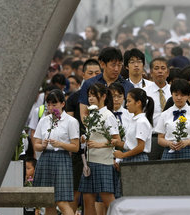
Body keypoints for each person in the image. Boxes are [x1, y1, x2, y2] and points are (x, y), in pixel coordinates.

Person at [33, 89, 79, 215]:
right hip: (46, 158)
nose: (51, 107)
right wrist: (42, 145)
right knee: (49, 202)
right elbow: (35, 145)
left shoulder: (71, 121)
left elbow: (75, 147)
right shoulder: (44, 120)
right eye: (48, 104)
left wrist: (60, 144)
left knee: (62, 201)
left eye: (54, 104)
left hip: (62, 159)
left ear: (63, 104)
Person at [65, 59, 102, 213]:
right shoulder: (74, 98)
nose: (94, 76)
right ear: (83, 74)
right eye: (90, 73)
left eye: (97, 73)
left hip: (99, 149)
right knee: (75, 191)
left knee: (94, 192)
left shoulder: (104, 96)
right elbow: (69, 124)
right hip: (79, 150)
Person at [78, 83, 121, 215]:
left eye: (93, 95)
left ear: (103, 96)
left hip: (103, 162)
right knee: (87, 199)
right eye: (89, 95)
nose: (90, 98)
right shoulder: (92, 115)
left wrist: (100, 144)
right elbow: (96, 135)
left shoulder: (108, 115)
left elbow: (117, 140)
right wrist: (85, 138)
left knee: (108, 200)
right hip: (90, 162)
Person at [79, 47, 134, 122]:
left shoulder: (128, 86)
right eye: (113, 65)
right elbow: (84, 113)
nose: (116, 69)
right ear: (102, 64)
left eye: (119, 65)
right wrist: (94, 129)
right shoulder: (90, 84)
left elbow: (132, 113)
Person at [156, 79, 190, 160]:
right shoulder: (165, 114)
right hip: (170, 152)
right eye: (176, 95)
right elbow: (160, 139)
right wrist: (169, 143)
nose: (179, 98)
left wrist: (186, 142)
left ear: (188, 95)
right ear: (172, 94)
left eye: (182, 95)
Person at [114, 88, 154, 162]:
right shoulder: (134, 119)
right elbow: (131, 145)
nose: (126, 104)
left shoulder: (141, 121)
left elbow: (140, 147)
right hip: (130, 156)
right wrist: (118, 143)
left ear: (138, 103)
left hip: (138, 158)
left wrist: (123, 155)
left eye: (129, 101)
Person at [144, 57, 172, 160]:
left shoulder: (174, 92)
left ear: (168, 72)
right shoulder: (144, 93)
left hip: (171, 139)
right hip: (152, 138)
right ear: (151, 72)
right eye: (156, 68)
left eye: (163, 68)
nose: (160, 71)